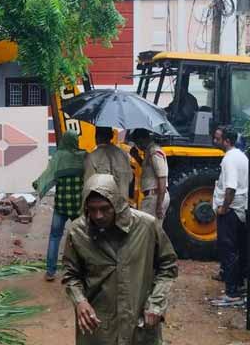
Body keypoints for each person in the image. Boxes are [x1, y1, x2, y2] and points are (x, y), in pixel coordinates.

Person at [62, 174, 178, 345]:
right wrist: (80, 301)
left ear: (116, 204)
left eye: (104, 208)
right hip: (99, 324)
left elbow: (168, 265)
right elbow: (71, 274)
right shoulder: (78, 232)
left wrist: (156, 302)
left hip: (138, 319)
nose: (98, 215)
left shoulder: (146, 227)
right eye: (92, 209)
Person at [33, 131, 86, 282]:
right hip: (78, 206)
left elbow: (48, 174)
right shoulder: (83, 156)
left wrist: (38, 183)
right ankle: (81, 271)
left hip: (61, 205)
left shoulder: (58, 157)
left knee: (55, 237)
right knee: (82, 237)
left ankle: (50, 272)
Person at [211, 126, 249, 307]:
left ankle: (232, 292)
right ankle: (238, 285)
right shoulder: (241, 156)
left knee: (228, 249)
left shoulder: (229, 159)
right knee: (236, 248)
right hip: (240, 208)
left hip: (231, 209)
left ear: (227, 141)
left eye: (218, 138)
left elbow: (231, 187)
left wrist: (224, 208)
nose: (214, 141)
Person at [129, 129, 169, 224]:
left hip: (155, 197)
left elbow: (162, 178)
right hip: (153, 196)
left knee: (146, 229)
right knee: (150, 231)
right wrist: (137, 157)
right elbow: (149, 170)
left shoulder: (154, 152)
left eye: (138, 143)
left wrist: (159, 205)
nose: (138, 146)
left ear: (142, 140)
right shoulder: (149, 151)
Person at [83, 127, 133, 200]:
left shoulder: (92, 156)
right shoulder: (124, 154)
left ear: (96, 137)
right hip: (123, 203)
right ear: (111, 136)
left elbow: (89, 185)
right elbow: (130, 179)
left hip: (105, 205)